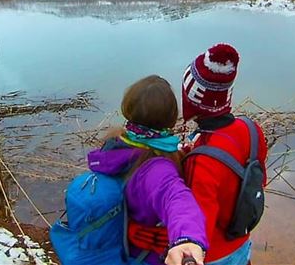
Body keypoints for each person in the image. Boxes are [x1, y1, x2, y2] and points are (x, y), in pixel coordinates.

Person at [87, 75, 208, 265]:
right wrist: (187, 239)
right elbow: (177, 198)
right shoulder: (156, 168)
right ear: (170, 118)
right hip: (144, 257)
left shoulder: (116, 144)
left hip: (119, 245)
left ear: (128, 109)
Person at [181, 43, 268, 265]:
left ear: (191, 99)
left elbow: (200, 228)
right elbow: (257, 181)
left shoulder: (202, 161)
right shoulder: (251, 129)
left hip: (216, 255)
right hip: (241, 240)